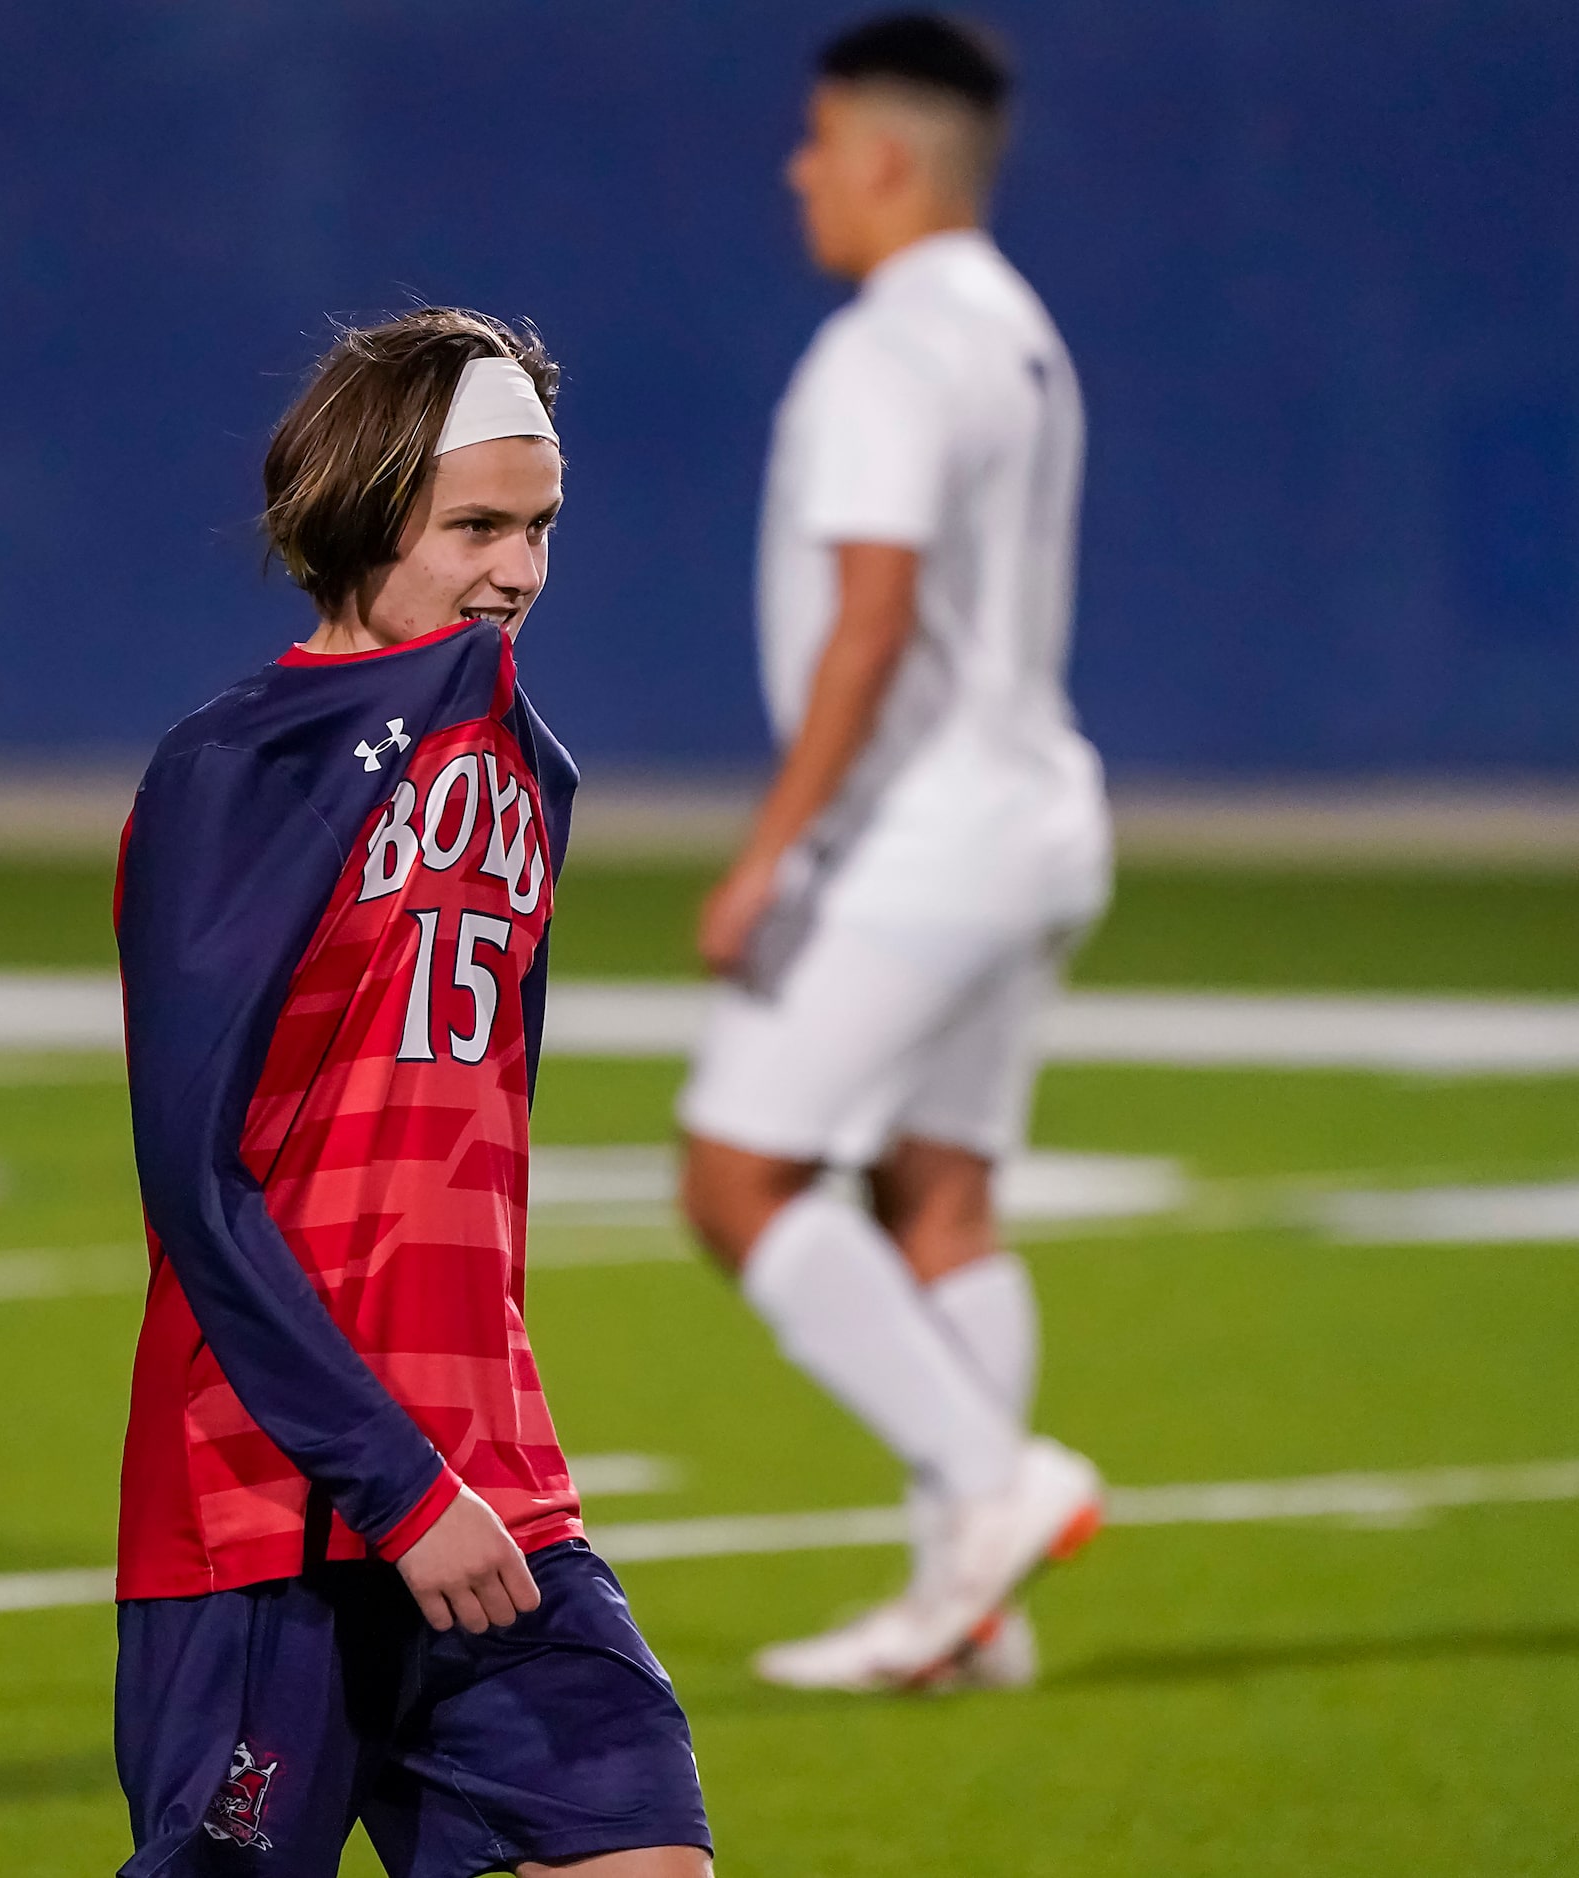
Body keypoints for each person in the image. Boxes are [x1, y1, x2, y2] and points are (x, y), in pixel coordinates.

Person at [112, 308, 712, 1877]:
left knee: (641, 1851)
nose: (517, 570)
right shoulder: (239, 767)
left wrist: (459, 1466)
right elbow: (196, 1173)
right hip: (272, 1502)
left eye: (541, 529)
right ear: (367, 509)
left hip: (493, 1483)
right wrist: (388, 1478)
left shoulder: (529, 766)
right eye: (476, 527)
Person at [678, 14, 1111, 1692]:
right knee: (939, 1194)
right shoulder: (1018, 328)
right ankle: (967, 1609)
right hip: (1037, 811)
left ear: (880, 154)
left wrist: (770, 848)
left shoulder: (882, 346)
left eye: (815, 140)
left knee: (736, 1175)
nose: (799, 171)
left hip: (927, 833)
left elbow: (872, 616)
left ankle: (998, 1487)